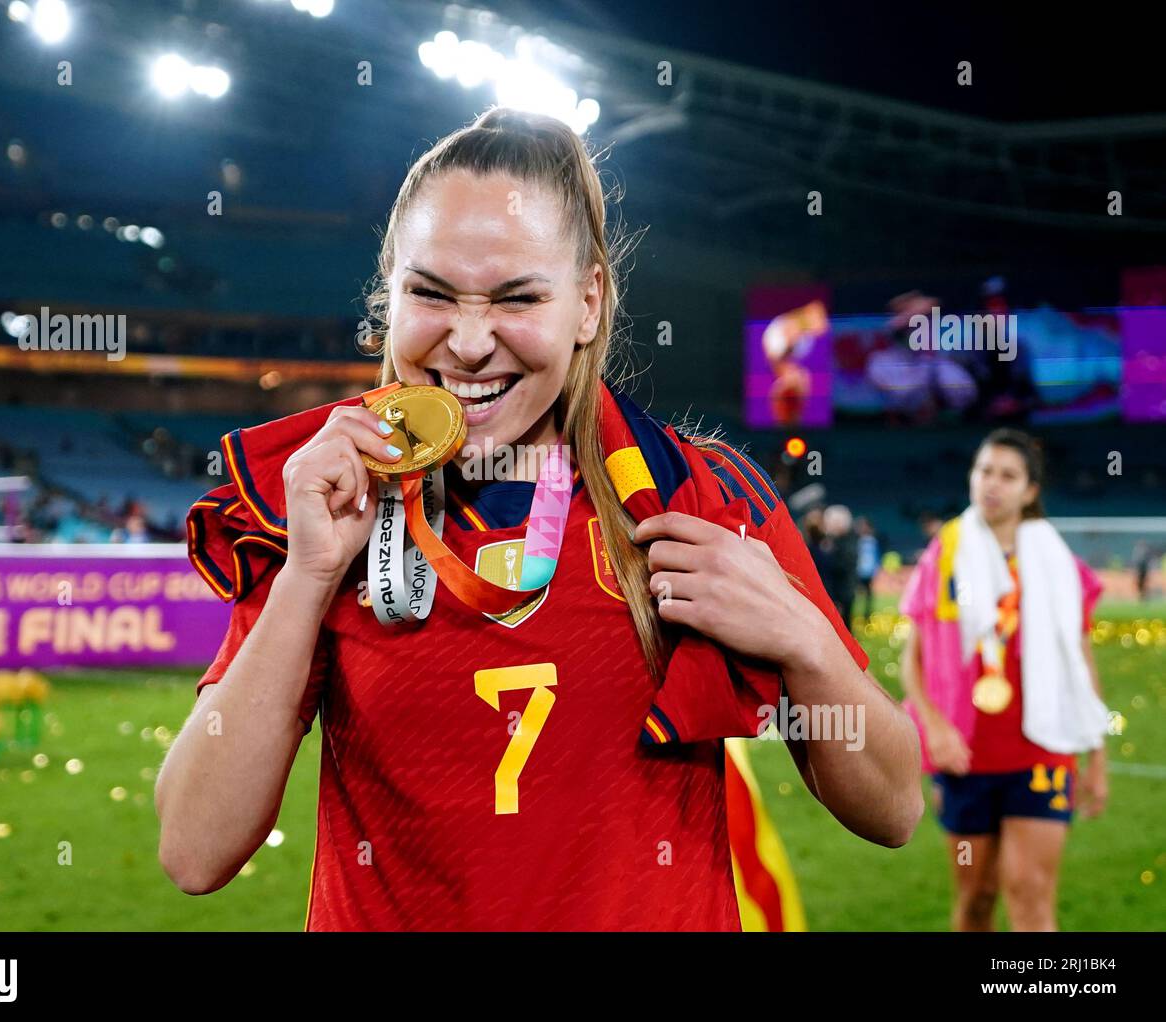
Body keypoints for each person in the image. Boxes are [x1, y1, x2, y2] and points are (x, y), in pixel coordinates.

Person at [156, 107, 922, 931]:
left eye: (518, 297)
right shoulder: (326, 495)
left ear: (588, 302)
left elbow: (892, 808)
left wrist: (806, 644)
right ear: (390, 291)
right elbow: (196, 849)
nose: (471, 341)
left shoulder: (700, 498)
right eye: (431, 293)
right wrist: (306, 579)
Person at [899, 428, 1109, 932]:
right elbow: (913, 661)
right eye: (984, 471)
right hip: (966, 752)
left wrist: (1096, 754)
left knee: (1030, 892)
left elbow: (1081, 664)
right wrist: (935, 728)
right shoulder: (943, 555)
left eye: (1008, 475)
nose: (992, 484)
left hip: (1043, 747)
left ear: (1030, 491)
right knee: (976, 897)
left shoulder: (1061, 564)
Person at [855, 516, 880, 621]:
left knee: (868, 595)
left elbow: (875, 556)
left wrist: (875, 568)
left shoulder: (871, 541)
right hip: (859, 571)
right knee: (858, 595)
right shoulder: (858, 541)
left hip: (867, 571)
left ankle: (867, 614)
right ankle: (860, 614)